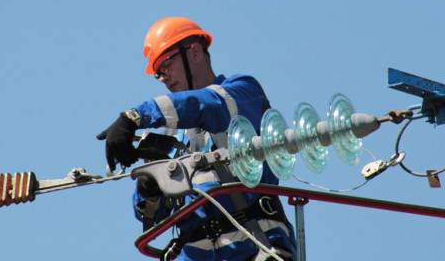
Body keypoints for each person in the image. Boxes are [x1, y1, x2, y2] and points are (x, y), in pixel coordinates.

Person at [97, 17, 296, 261]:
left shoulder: (242, 91)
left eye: (166, 64)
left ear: (194, 52)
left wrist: (136, 117)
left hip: (255, 246)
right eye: (158, 74)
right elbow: (150, 218)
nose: (164, 77)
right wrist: (149, 188)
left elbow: (208, 106)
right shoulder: (170, 135)